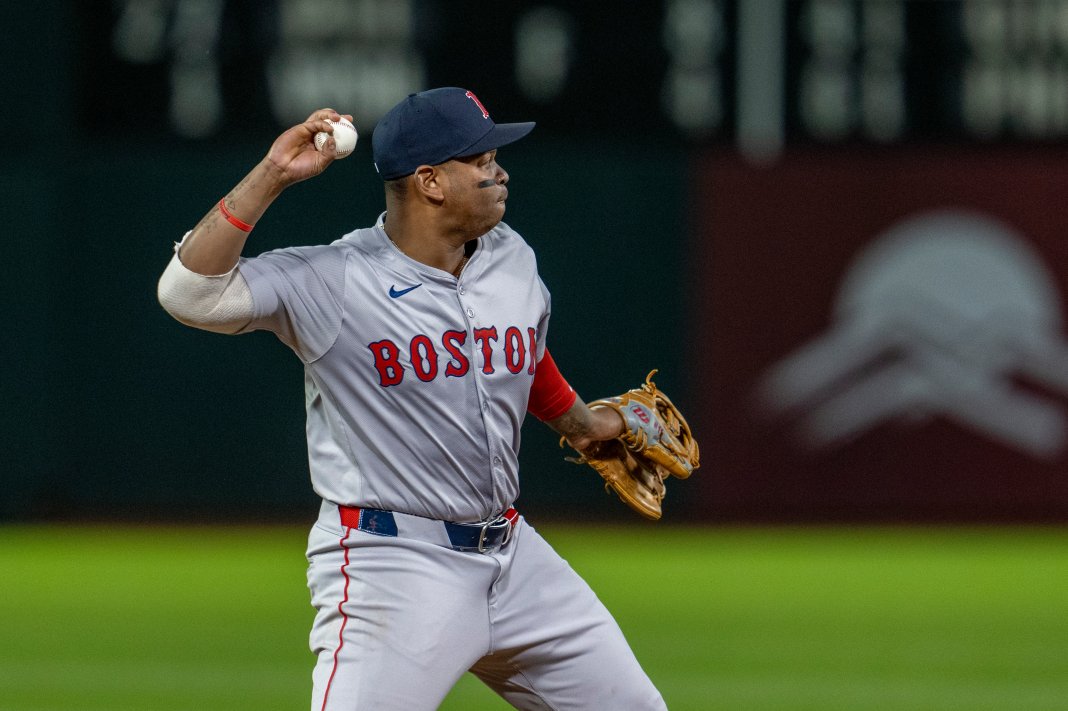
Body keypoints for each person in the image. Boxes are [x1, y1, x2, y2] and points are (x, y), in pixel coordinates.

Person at [157, 87, 666, 710]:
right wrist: (272, 175)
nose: (499, 170)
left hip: (514, 555)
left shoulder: (511, 256)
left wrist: (583, 423)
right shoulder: (334, 279)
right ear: (429, 180)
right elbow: (189, 294)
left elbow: (521, 355)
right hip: (392, 564)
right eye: (481, 160)